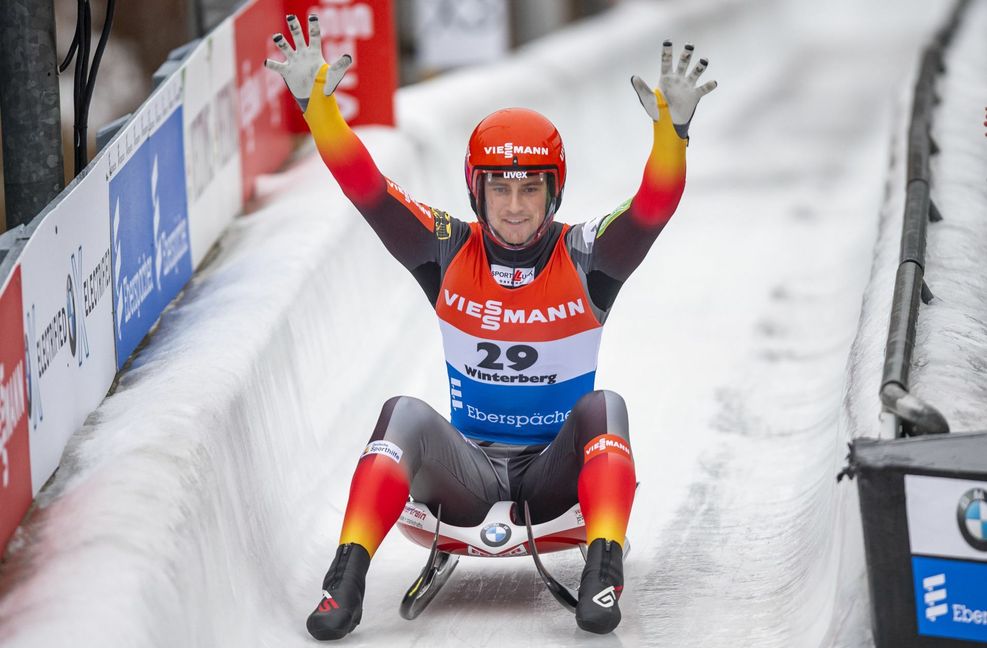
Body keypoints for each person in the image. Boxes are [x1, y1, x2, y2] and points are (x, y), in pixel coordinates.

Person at [265, 14, 716, 640]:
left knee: (604, 407)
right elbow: (367, 189)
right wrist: (319, 108)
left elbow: (652, 206)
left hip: (557, 479)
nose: (513, 206)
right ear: (476, 193)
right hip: (467, 472)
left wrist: (673, 134)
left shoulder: (587, 256)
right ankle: (344, 579)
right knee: (403, 412)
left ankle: (606, 568)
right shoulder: (447, 249)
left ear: (553, 193)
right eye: (498, 189)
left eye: (529, 189)